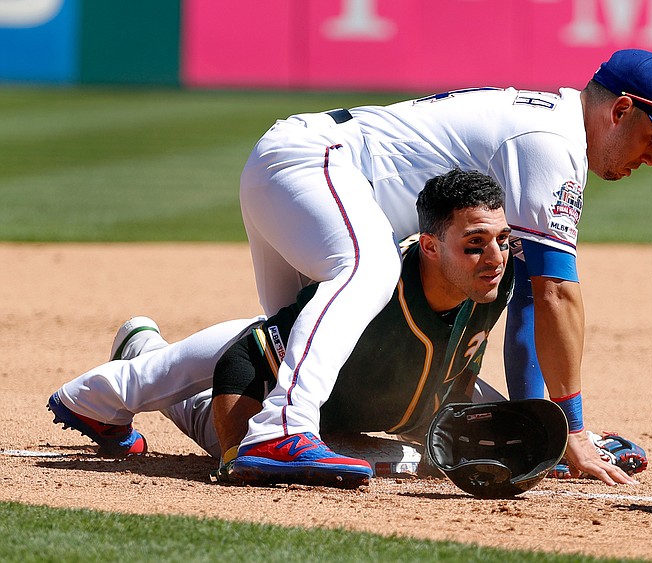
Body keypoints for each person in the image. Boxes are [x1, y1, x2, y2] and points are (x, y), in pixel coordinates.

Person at [235, 48, 652, 485]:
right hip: (312, 165)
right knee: (368, 271)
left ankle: (179, 383)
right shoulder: (551, 145)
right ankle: (282, 427)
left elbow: (530, 303)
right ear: (619, 111)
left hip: (298, 170)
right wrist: (574, 429)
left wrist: (545, 427)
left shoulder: (551, 130)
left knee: (289, 343)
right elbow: (555, 293)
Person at [48, 169, 515, 487]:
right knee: (192, 386)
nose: (495, 258)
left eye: (503, 240)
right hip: (280, 386)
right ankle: (133, 360)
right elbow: (245, 358)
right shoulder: (372, 291)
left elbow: (461, 361)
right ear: (430, 247)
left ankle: (143, 346)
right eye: (476, 244)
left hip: (356, 406)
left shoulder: (493, 277)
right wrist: (235, 455)